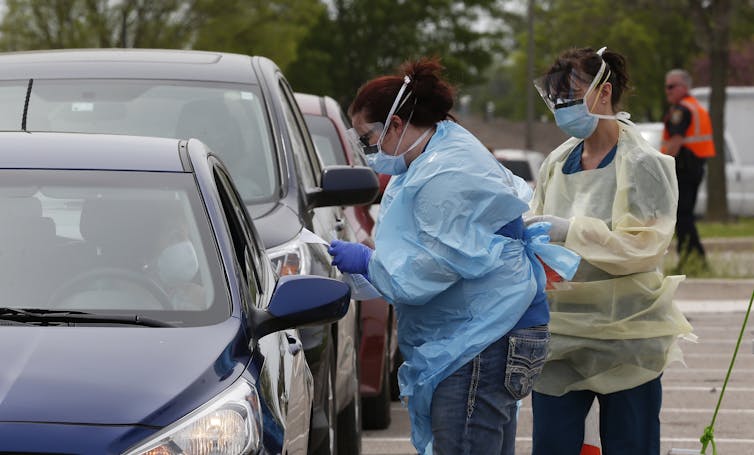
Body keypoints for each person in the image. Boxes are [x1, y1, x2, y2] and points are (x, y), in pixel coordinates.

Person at [327, 57, 579, 455]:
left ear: (395, 124)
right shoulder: (435, 156)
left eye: (367, 136)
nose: (367, 149)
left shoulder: (445, 170)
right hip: (485, 330)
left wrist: (367, 263)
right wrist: (372, 265)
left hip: (482, 336)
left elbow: (430, 268)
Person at [528, 47, 694, 455]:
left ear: (603, 92)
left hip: (626, 334)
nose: (563, 106)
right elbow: (535, 228)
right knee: (553, 445)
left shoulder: (642, 163)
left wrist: (572, 232)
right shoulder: (557, 161)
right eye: (557, 96)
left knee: (630, 445)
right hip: (561, 334)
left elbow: (643, 246)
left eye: (572, 94)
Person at [662, 68, 715, 271]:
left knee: (682, 217)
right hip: (695, 166)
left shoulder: (680, 110)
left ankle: (692, 259)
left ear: (684, 87)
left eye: (671, 86)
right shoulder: (695, 107)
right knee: (685, 216)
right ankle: (696, 260)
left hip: (683, 168)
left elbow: (675, 142)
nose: (667, 91)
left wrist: (662, 166)